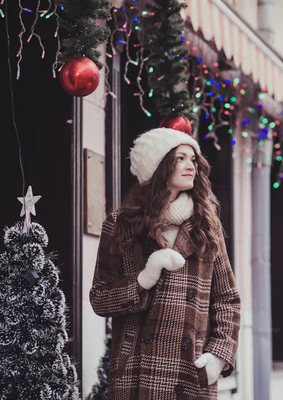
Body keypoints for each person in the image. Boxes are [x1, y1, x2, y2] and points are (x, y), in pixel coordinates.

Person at [89, 127, 241, 399]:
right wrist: (143, 279)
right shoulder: (120, 225)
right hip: (136, 373)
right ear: (159, 166)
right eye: (180, 158)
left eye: (193, 159)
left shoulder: (207, 226)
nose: (190, 166)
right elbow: (100, 298)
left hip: (189, 371)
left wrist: (219, 355)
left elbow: (228, 299)